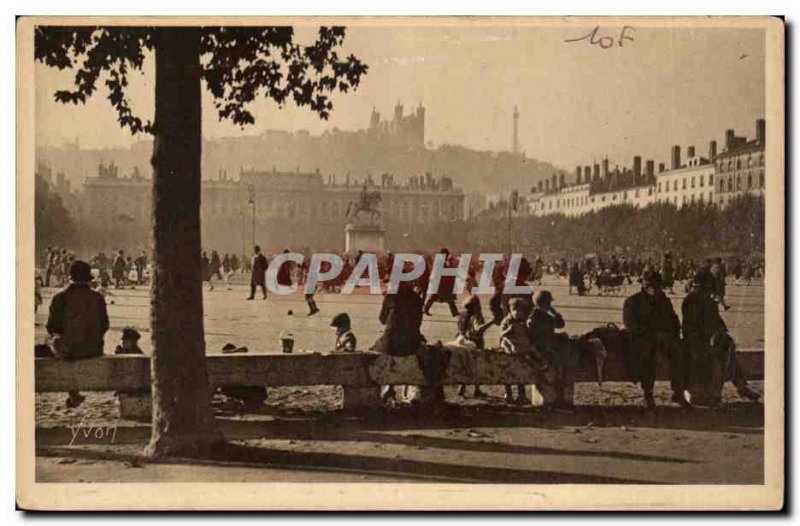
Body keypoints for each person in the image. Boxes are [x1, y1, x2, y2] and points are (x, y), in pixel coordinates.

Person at [682, 270, 760, 406]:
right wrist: (713, 337)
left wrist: (718, 335)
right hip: (696, 342)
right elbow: (695, 327)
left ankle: (736, 387)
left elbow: (716, 324)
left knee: (726, 349)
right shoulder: (694, 301)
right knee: (722, 354)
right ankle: (730, 389)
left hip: (704, 341)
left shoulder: (702, 300)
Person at [46, 260, 110, 408]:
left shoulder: (59, 298)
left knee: (58, 343)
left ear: (71, 277)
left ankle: (73, 392)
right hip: (93, 349)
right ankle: (74, 393)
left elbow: (51, 326)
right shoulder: (98, 298)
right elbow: (105, 325)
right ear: (88, 279)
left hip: (67, 350)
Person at [622, 271, 691, 410]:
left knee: (679, 353)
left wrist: (672, 335)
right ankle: (648, 394)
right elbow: (630, 324)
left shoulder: (664, 301)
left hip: (664, 339)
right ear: (643, 284)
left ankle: (678, 391)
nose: (653, 289)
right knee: (648, 355)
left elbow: (674, 320)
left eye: (656, 286)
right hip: (643, 340)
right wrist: (650, 334)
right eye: (649, 285)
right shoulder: (633, 301)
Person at [528, 290, 573, 409]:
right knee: (561, 365)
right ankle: (558, 396)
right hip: (545, 349)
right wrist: (556, 313)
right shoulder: (544, 317)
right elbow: (560, 324)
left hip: (540, 347)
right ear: (547, 303)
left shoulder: (533, 315)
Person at [499, 297, 546, 405]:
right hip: (509, 346)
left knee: (521, 371)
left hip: (521, 345)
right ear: (511, 310)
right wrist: (508, 331)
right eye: (517, 311)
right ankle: (508, 394)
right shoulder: (507, 321)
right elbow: (502, 336)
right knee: (508, 373)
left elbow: (528, 334)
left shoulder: (522, 321)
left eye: (521, 312)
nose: (519, 314)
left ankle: (522, 395)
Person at [454, 295, 495, 398]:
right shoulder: (476, 316)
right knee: (476, 365)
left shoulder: (462, 316)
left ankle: (461, 388)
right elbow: (478, 330)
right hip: (476, 342)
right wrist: (492, 321)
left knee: (465, 363)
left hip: (464, 341)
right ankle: (477, 390)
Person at [423, 248, 460, 317]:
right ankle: (454, 312)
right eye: (446, 254)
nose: (447, 255)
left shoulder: (442, 261)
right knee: (445, 297)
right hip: (440, 282)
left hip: (441, 282)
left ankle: (425, 309)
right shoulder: (440, 261)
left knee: (438, 297)